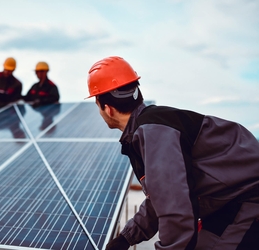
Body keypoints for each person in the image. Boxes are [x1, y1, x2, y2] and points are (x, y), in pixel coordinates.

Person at [85, 56, 259, 250]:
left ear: (107, 109)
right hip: (228, 203)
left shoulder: (154, 132)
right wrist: (126, 238)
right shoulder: (151, 127)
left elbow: (175, 210)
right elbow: (162, 198)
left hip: (248, 200)